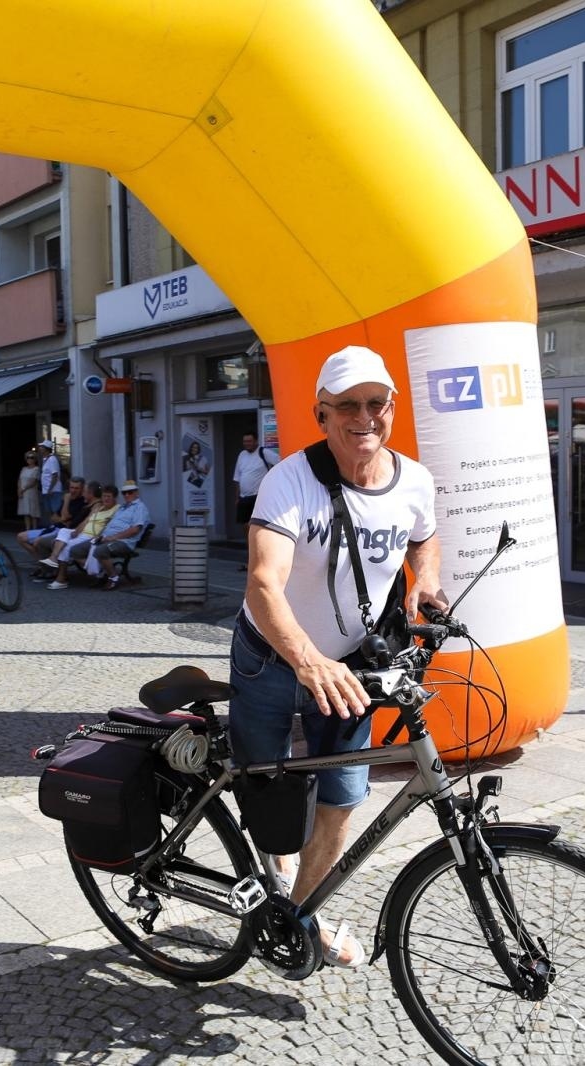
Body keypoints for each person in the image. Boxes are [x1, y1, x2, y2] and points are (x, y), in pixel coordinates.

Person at [231, 344, 445, 968]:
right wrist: (306, 660)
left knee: (343, 795)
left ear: (392, 410)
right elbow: (263, 583)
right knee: (266, 790)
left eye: (375, 403)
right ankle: (271, 876)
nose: (364, 417)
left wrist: (425, 585)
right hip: (272, 659)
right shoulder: (288, 481)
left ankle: (299, 917)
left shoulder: (415, 481)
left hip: (352, 667)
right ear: (321, 414)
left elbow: (424, 542)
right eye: (347, 405)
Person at [38, 484, 118, 584]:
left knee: (66, 547)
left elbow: (110, 527)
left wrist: (99, 537)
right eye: (104, 496)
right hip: (82, 533)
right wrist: (77, 530)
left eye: (108, 496)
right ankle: (53, 558)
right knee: (64, 531)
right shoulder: (99, 508)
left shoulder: (116, 509)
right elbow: (86, 521)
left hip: (91, 536)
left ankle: (61, 579)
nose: (105, 499)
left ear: (114, 498)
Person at [18, 476, 88, 556]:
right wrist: (62, 519)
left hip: (63, 531)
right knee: (20, 537)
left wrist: (66, 501)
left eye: (76, 488)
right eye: (71, 487)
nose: (73, 490)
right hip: (53, 528)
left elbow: (64, 517)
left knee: (37, 542)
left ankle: (46, 564)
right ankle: (41, 562)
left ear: (82, 489)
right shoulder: (69, 498)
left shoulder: (82, 502)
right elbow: (53, 518)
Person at [231, 432, 276, 526]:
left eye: (249, 441)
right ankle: (248, 541)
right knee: (244, 524)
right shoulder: (242, 455)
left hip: (259, 496)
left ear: (256, 441)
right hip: (243, 497)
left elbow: (281, 463)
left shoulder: (264, 452)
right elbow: (237, 478)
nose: (247, 443)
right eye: (245, 441)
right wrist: (237, 497)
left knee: (258, 524)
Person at [37, 439, 63, 518]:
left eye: (42, 447)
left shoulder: (52, 459)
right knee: (50, 512)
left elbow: (55, 475)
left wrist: (50, 489)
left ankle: (56, 528)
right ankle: (52, 528)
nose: (40, 448)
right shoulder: (45, 459)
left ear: (46, 448)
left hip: (53, 491)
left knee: (55, 512)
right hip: (47, 491)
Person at [17, 450, 42, 530]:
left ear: (35, 459)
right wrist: (19, 490)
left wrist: (23, 489)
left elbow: (33, 481)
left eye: (32, 457)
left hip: (31, 492)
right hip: (23, 492)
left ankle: (34, 530)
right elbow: (20, 480)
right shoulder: (23, 469)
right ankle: (27, 529)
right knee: (26, 512)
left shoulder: (36, 469)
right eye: (28, 457)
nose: (29, 459)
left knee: (33, 512)